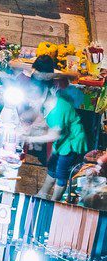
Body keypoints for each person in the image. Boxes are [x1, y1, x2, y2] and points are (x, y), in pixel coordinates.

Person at [26, 57, 91, 194]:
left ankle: (54, 203)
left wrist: (31, 139)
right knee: (51, 167)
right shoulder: (46, 97)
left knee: (61, 173)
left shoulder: (56, 107)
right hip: (61, 137)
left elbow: (54, 134)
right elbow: (39, 117)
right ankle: (42, 194)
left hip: (71, 140)